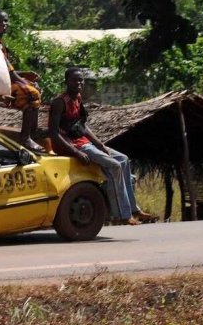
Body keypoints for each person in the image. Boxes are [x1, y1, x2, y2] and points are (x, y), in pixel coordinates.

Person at [48, 67, 155, 225]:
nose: (79, 83)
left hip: (85, 143)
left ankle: (134, 209)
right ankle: (123, 215)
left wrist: (100, 144)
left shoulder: (78, 98)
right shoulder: (59, 102)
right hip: (73, 146)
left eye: (81, 80)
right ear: (66, 82)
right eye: (75, 80)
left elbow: (82, 127)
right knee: (115, 166)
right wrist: (76, 152)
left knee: (123, 159)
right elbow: (54, 133)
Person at [0, 10, 44, 152]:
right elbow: (8, 72)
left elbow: (6, 70)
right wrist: (24, 81)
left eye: (5, 21)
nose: (4, 24)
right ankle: (25, 138)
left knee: (34, 87)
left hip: (2, 78)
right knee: (31, 94)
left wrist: (25, 75)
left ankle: (33, 132)